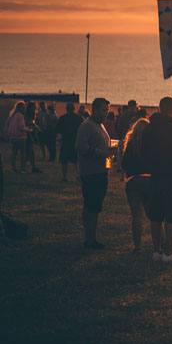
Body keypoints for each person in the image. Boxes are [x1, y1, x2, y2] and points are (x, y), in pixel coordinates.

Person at [142, 96, 172, 264]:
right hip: (171, 176)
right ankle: (169, 251)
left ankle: (157, 250)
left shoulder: (149, 129)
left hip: (154, 176)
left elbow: (143, 151)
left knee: (155, 213)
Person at [75, 97, 112, 249]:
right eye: (104, 110)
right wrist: (102, 153)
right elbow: (80, 147)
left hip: (99, 171)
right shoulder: (87, 126)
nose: (106, 114)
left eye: (107, 111)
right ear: (95, 109)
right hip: (91, 172)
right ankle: (90, 240)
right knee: (92, 206)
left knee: (93, 206)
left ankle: (90, 237)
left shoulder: (99, 125)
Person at [121, 117, 151, 253]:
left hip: (133, 181)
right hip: (149, 180)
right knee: (154, 216)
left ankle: (137, 246)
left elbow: (124, 164)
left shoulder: (131, 144)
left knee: (136, 216)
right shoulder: (152, 144)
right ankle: (160, 245)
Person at [56, 103, 84, 182]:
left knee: (64, 161)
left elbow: (58, 129)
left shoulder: (62, 118)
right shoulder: (79, 118)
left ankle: (64, 176)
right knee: (76, 160)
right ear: (74, 109)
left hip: (65, 141)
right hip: (75, 141)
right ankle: (78, 175)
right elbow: (83, 129)